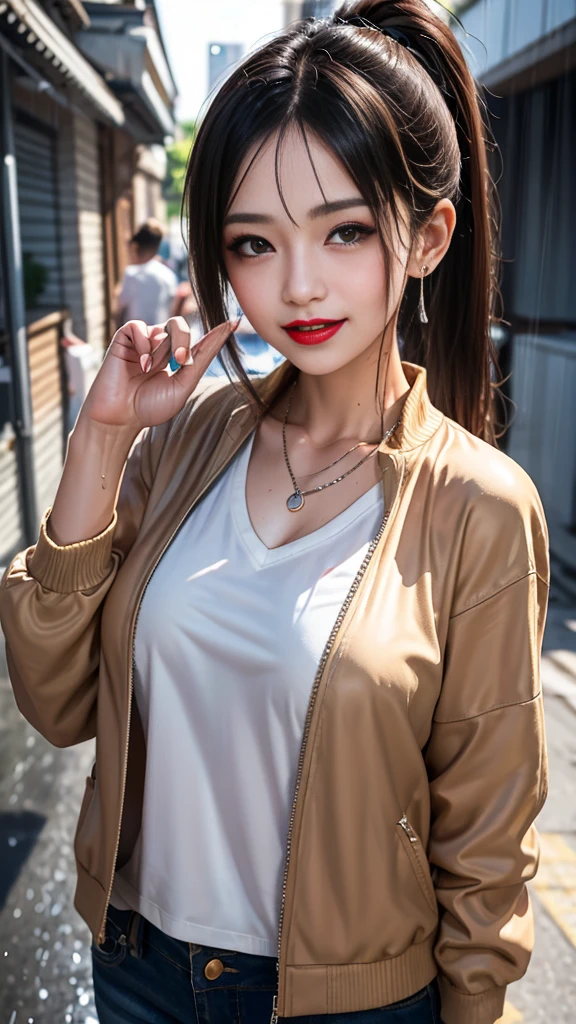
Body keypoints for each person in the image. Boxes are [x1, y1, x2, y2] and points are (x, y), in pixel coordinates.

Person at [0, 3, 549, 1023]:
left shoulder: (478, 506)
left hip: (349, 1004)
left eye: (343, 230)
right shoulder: (187, 442)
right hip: (137, 968)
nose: (297, 284)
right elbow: (54, 698)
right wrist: (102, 435)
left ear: (426, 236)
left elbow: (486, 849)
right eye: (254, 242)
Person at [115, 218, 178, 328]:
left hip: (134, 336)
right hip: (160, 335)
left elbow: (120, 308)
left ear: (135, 247)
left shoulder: (131, 274)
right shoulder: (168, 275)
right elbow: (172, 309)